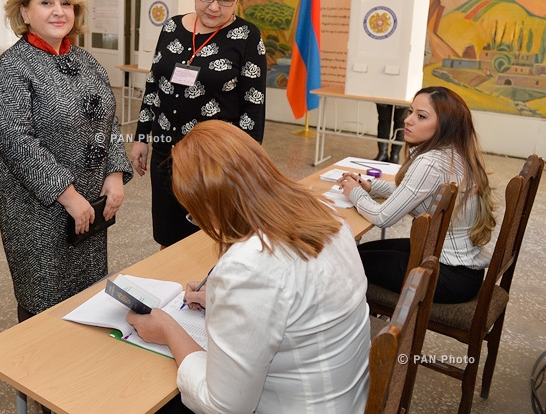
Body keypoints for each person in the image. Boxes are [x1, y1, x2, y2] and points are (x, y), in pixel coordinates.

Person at [127, 120, 370, 414]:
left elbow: (223, 407)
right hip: (347, 398)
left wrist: (168, 330)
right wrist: (223, 301)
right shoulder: (325, 214)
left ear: (215, 205)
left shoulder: (249, 265)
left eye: (196, 215)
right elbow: (296, 296)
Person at [0, 0, 133, 323]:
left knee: (87, 295)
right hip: (40, 210)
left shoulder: (86, 61)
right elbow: (16, 141)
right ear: (24, 11)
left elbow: (108, 119)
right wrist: (69, 197)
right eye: (46, 2)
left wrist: (114, 174)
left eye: (66, 4)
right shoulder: (12, 67)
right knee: (44, 299)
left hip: (90, 204)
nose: (58, 11)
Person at [131, 0, 266, 248]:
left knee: (209, 241)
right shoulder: (172, 27)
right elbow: (154, 82)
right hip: (167, 152)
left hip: (215, 161)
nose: (214, 7)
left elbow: (253, 106)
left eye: (225, 0)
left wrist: (244, 167)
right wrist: (142, 137)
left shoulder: (247, 37)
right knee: (168, 237)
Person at [339, 86, 496, 303]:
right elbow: (416, 192)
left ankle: (351, 324)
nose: (408, 120)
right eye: (410, 111)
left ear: (445, 126)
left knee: (347, 261)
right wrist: (369, 186)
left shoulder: (430, 162)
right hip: (454, 264)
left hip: (447, 274)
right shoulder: (453, 153)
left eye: (421, 116)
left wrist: (354, 193)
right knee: (357, 252)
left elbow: (383, 217)